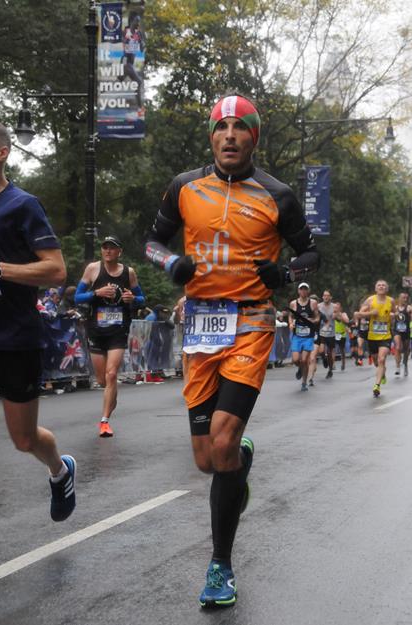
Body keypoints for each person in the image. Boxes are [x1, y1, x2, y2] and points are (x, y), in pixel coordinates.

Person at [145, 94, 320, 608]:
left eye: (239, 128)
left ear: (252, 138)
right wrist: (171, 264)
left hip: (251, 321)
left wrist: (284, 273)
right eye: (221, 128)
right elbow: (152, 243)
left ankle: (220, 566)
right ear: (211, 136)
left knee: (221, 440)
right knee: (208, 460)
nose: (229, 136)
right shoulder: (184, 186)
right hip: (201, 326)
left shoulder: (277, 195)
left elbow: (311, 253)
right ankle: (238, 461)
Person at [0, 121, 76, 522]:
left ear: (1, 153)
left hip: (14, 338)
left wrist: (0, 270)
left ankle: (60, 470)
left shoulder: (22, 205)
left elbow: (57, 271)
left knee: (24, 439)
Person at [75, 236, 145, 436]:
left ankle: (104, 421)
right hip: (96, 330)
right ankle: (111, 392)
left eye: (112, 248)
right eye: (105, 247)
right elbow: (77, 297)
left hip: (118, 330)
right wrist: (96, 293)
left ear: (119, 252)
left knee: (112, 374)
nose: (108, 251)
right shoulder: (93, 269)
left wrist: (133, 298)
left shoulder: (128, 272)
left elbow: (142, 299)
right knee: (102, 380)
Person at [356, 279, 395, 397]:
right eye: (379, 285)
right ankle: (382, 373)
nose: (381, 287)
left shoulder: (391, 301)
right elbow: (359, 314)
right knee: (376, 361)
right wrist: (370, 313)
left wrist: (393, 315)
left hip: (386, 335)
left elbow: (395, 313)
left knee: (381, 359)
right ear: (375, 288)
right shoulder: (370, 300)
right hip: (372, 336)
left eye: (383, 285)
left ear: (387, 289)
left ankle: (377, 385)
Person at [288, 283, 319, 391]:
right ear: (298, 291)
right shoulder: (293, 303)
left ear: (308, 291)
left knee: (304, 359)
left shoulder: (313, 303)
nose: (303, 291)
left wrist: (312, 321)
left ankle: (304, 383)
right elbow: (290, 316)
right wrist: (290, 323)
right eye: (301, 289)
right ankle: (301, 369)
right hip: (297, 336)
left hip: (308, 336)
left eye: (305, 289)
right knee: (296, 360)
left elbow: (317, 318)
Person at [318, 290, 336, 379]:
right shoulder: (318, 306)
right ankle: (324, 359)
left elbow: (339, 316)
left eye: (327, 295)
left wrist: (337, 316)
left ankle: (330, 370)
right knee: (321, 351)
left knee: (329, 352)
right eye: (324, 295)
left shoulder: (334, 306)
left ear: (330, 297)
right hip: (321, 332)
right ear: (322, 297)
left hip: (331, 332)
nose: (326, 297)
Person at [393, 292, 411, 376]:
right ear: (399, 298)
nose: (405, 299)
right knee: (397, 347)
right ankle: (397, 367)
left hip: (406, 331)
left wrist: (409, 313)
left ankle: (405, 364)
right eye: (403, 298)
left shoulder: (409, 307)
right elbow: (389, 316)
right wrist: (393, 314)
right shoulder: (395, 308)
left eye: (406, 298)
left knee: (406, 350)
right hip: (397, 330)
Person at [333, 302, 350, 371]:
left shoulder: (343, 314)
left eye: (337, 307)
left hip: (341, 334)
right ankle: (333, 364)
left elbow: (347, 321)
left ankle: (343, 363)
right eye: (335, 307)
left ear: (340, 308)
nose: (336, 308)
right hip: (334, 334)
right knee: (333, 349)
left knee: (342, 350)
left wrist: (340, 316)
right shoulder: (332, 314)